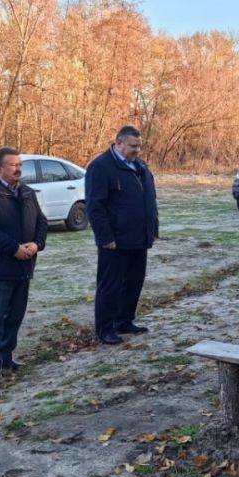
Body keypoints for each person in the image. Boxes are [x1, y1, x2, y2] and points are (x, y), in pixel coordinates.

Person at [0, 147, 48, 384]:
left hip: (23, 267)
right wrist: (14, 248)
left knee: (15, 316)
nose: (18, 169)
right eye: (13, 165)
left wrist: (36, 244)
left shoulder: (26, 192)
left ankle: (6, 357)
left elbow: (42, 221)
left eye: (20, 165)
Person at [85, 126, 159, 345]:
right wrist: (105, 238)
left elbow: (150, 199)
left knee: (134, 282)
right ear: (118, 142)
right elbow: (95, 206)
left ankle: (124, 320)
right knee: (110, 285)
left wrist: (152, 228)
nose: (137, 150)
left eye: (139, 146)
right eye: (133, 146)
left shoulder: (140, 166)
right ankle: (105, 329)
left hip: (139, 238)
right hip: (115, 241)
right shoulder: (101, 167)